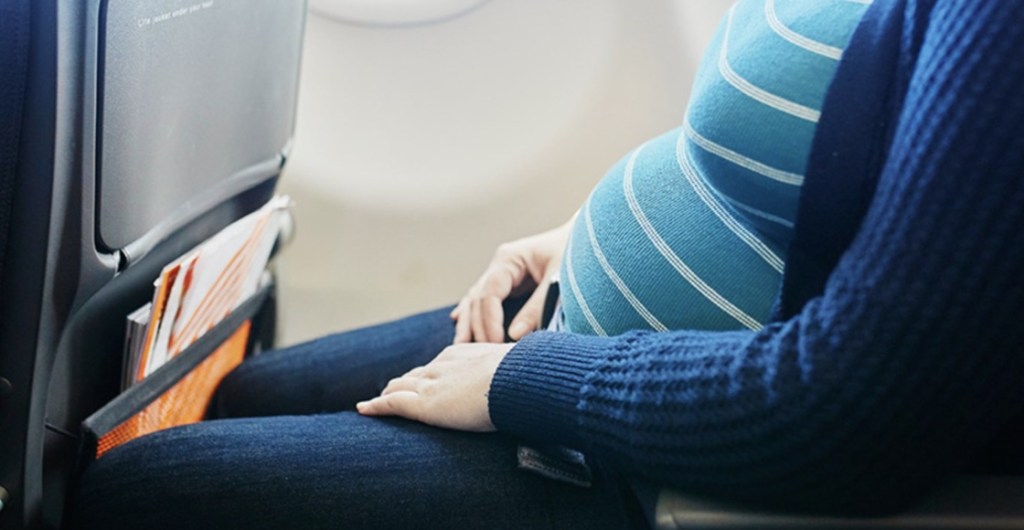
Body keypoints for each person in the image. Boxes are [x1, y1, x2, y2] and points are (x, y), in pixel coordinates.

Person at [74, 0, 1024, 528]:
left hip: (658, 438)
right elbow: (805, 146)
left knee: (139, 497)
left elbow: (859, 408)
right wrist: (584, 229)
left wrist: (521, 382)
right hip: (571, 322)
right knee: (257, 391)